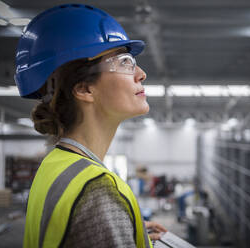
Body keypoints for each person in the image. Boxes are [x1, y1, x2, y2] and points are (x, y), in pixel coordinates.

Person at [15, 4, 167, 248]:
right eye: (125, 62)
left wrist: (123, 229)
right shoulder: (99, 190)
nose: (141, 73)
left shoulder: (54, 166)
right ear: (84, 89)